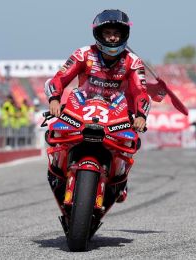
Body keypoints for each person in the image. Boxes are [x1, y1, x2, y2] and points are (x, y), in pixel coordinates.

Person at [44, 9, 151, 203]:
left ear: (124, 35)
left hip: (117, 113)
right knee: (54, 134)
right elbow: (59, 79)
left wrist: (141, 116)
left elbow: (140, 92)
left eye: (116, 33)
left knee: (131, 143)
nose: (112, 38)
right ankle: (58, 169)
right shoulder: (83, 54)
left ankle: (120, 180)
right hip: (80, 108)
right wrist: (54, 100)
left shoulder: (133, 61)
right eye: (108, 33)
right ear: (99, 34)